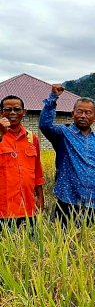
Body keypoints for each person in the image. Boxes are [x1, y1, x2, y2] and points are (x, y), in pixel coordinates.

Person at [39, 84, 95, 225]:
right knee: (64, 244)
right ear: (72, 114)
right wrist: (53, 97)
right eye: (79, 112)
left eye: (88, 113)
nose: (83, 116)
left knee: (94, 244)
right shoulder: (63, 133)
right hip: (68, 200)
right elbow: (45, 125)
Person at [0, 95, 45, 227]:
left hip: (27, 207)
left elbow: (37, 171)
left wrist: (40, 197)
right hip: (3, 208)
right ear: (1, 112)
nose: (12, 113)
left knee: (29, 245)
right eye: (8, 109)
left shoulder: (32, 138)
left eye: (17, 109)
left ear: (24, 113)